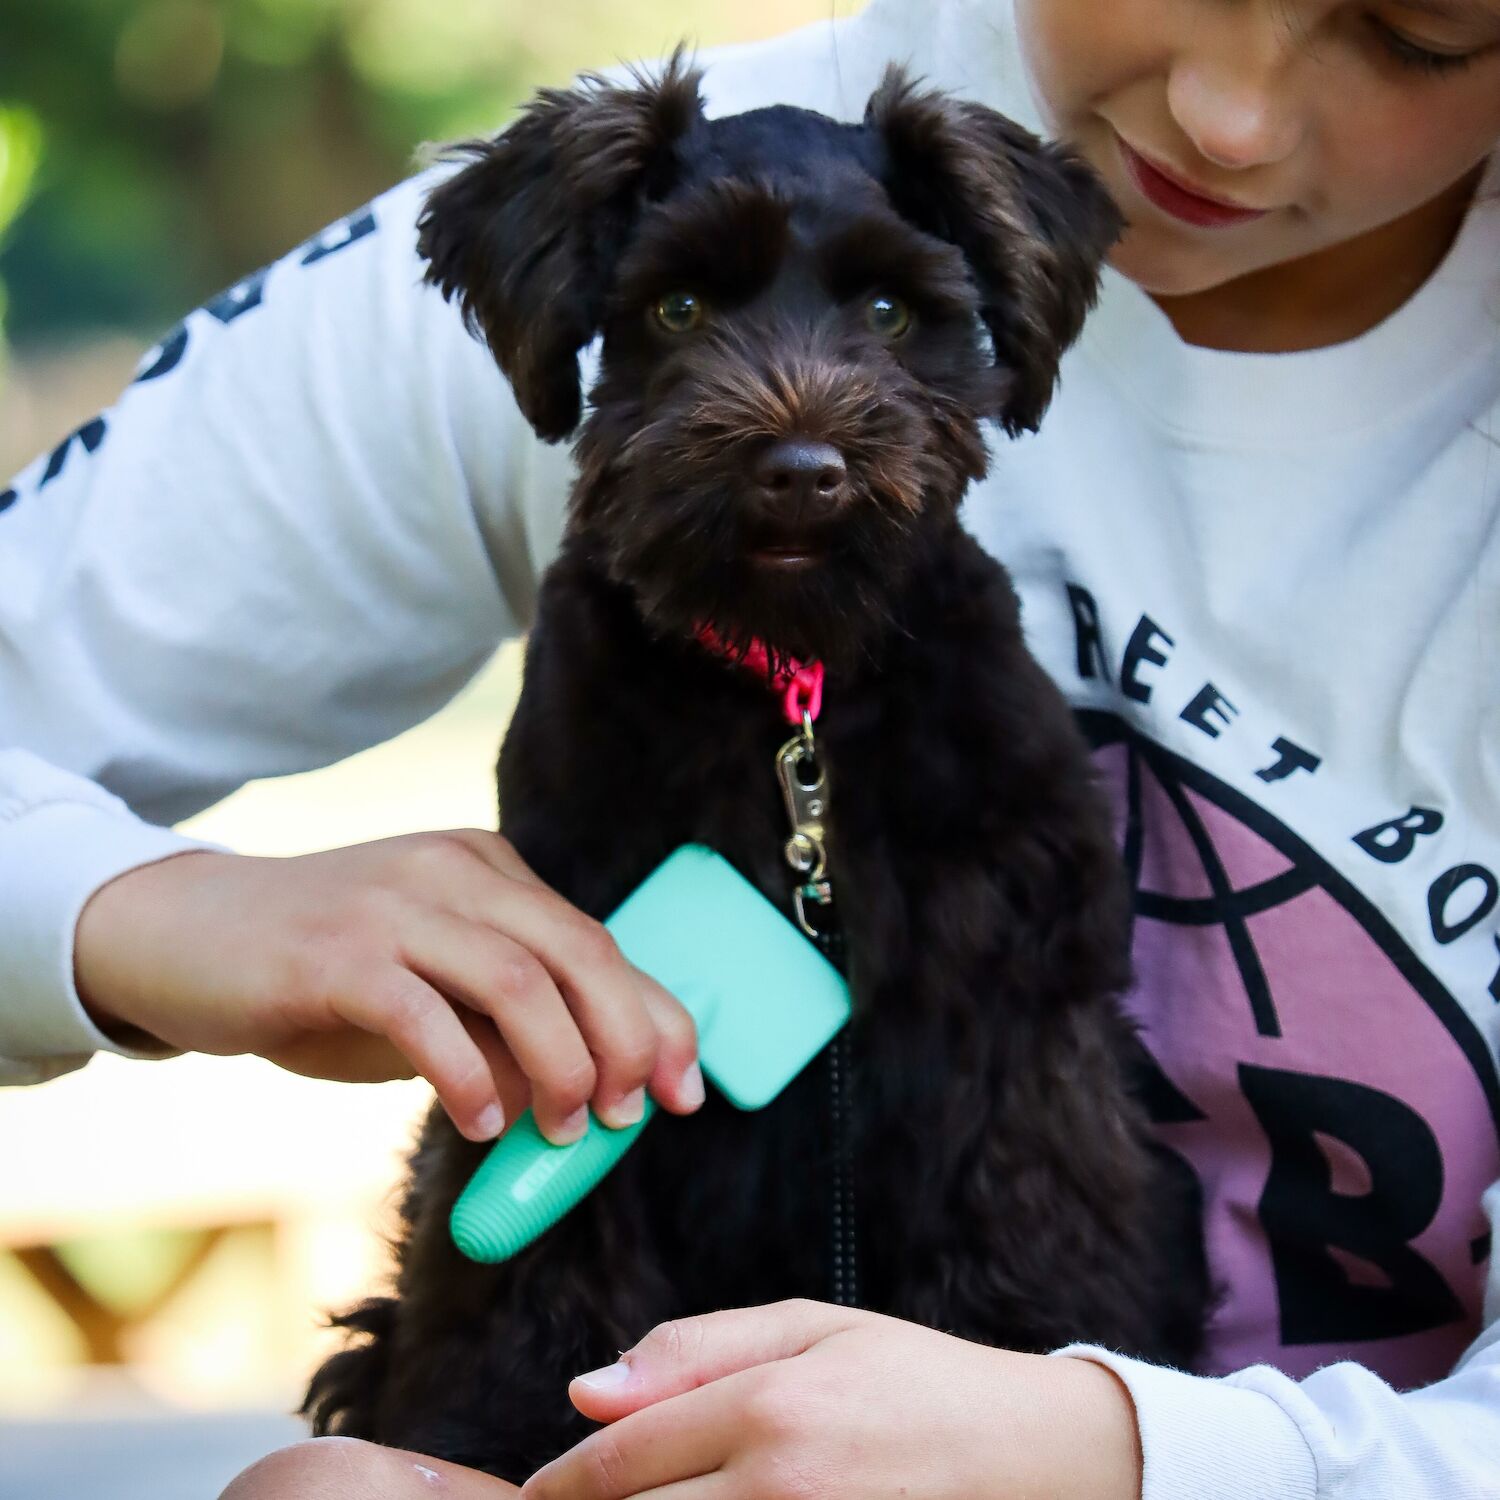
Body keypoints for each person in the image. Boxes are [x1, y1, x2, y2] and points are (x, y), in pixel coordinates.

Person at [3, 0, 1498, 1495]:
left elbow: (1039, 1109)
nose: (1232, 116)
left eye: (1422, 33)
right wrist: (137, 909)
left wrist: (1115, 1449)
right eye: (679, 315)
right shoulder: (622, 186)